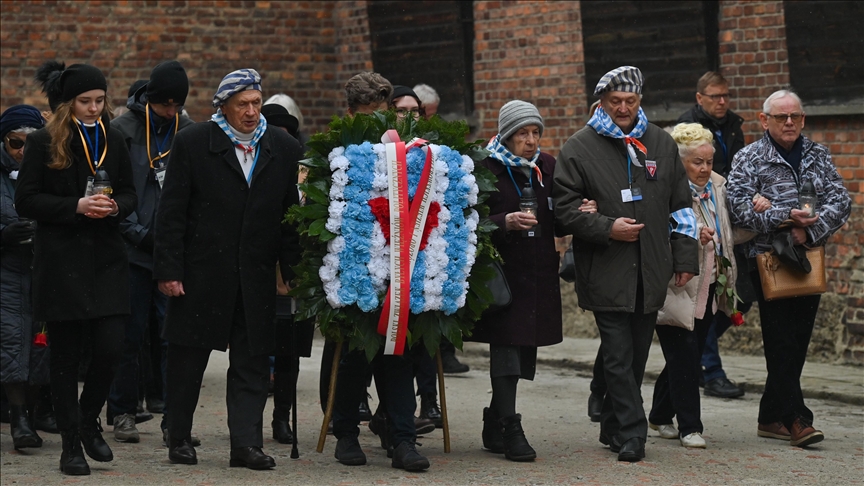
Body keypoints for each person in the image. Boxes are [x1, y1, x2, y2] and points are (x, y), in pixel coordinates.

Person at [153, 68, 304, 470]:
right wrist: (169, 269)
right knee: (188, 359)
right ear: (223, 107)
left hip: (253, 273)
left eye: (256, 103)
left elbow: (290, 216)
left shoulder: (282, 148)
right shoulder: (193, 143)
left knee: (252, 362)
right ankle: (180, 436)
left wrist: (292, 271)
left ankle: (246, 445)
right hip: (202, 271)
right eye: (243, 105)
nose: (252, 112)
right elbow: (171, 214)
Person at [553, 66, 699, 462]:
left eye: (630, 101)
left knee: (635, 354)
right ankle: (634, 433)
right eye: (614, 102)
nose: (623, 108)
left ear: (639, 102)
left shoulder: (660, 144)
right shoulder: (578, 148)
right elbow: (563, 210)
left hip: (652, 267)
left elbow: (681, 207)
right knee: (617, 354)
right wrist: (605, 227)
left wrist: (685, 257)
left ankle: (613, 425)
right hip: (605, 267)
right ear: (600, 102)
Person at [16, 62, 137, 475]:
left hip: (106, 258)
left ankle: (88, 421)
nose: (93, 108)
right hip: (61, 260)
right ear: (69, 103)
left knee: (110, 348)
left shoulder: (114, 138)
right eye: (85, 101)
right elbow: (26, 200)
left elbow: (130, 193)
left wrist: (116, 205)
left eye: (99, 101)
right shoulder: (43, 141)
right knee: (65, 357)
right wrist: (76, 206)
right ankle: (71, 444)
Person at [727, 89, 850, 448]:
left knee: (797, 341)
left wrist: (808, 228)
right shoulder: (750, 157)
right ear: (765, 120)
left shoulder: (817, 154)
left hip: (808, 259)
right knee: (781, 342)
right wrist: (784, 218)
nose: (790, 122)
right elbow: (736, 207)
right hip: (767, 263)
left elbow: (840, 200)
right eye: (781, 117)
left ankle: (769, 417)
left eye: (795, 116)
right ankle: (797, 418)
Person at [328, 72, 430, 471]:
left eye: (382, 114)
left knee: (398, 353)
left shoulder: (407, 149)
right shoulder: (334, 151)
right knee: (357, 353)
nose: (376, 124)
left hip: (399, 262)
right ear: (351, 113)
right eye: (367, 116)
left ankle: (402, 438)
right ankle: (347, 433)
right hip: (354, 264)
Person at [649, 123, 768, 449]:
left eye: (709, 161)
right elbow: (658, 233)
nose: (705, 169)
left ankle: (659, 415)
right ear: (680, 162)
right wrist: (691, 238)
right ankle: (691, 427)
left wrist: (756, 216)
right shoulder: (666, 189)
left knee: (685, 356)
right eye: (697, 162)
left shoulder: (718, 185)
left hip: (711, 287)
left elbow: (729, 232)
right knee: (685, 356)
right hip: (677, 287)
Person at [468, 100, 562, 462]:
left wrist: (581, 210)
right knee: (506, 350)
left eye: (535, 133)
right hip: (502, 275)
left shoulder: (548, 167)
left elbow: (560, 214)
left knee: (523, 353)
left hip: (537, 275)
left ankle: (494, 419)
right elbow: (468, 220)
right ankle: (510, 426)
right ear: (506, 135)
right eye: (522, 133)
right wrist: (504, 222)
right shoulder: (485, 167)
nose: (531, 141)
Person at [107, 61, 194, 445]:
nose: (170, 112)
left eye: (177, 105)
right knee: (128, 335)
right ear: (150, 100)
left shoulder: (188, 132)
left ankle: (173, 419)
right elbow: (110, 192)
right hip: (131, 249)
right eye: (164, 105)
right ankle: (122, 411)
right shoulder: (122, 130)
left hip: (173, 251)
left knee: (173, 338)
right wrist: (139, 235)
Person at [678, 71, 748, 399]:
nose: (722, 102)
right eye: (715, 96)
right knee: (703, 301)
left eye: (725, 96)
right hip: (697, 214)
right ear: (699, 98)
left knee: (737, 300)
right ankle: (712, 370)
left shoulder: (734, 125)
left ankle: (699, 364)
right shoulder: (686, 128)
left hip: (726, 211)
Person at [0, 105, 49, 451]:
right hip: (6, 272)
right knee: (12, 342)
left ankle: (34, 413)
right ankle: (18, 420)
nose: (21, 152)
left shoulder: (49, 170)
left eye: (28, 145)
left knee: (41, 345)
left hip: (45, 271)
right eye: (15, 143)